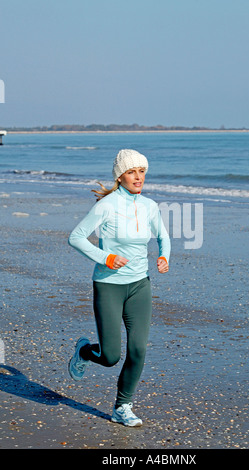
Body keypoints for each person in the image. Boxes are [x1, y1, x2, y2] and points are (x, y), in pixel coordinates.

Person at [68, 149, 171, 427]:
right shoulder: (107, 205)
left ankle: (122, 407)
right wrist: (107, 258)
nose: (138, 177)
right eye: (131, 172)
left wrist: (164, 257)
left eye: (142, 171)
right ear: (120, 176)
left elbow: (163, 236)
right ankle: (85, 352)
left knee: (138, 350)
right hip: (109, 286)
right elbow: (76, 237)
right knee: (111, 356)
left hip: (139, 286)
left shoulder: (149, 206)